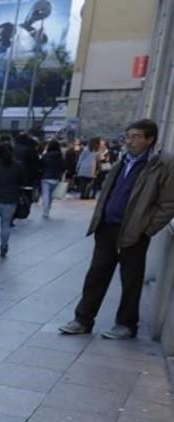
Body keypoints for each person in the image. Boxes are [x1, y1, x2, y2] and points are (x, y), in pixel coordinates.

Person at [59, 119, 174, 340]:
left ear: (150, 139)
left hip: (134, 231)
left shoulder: (163, 163)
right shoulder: (124, 160)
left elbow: (168, 203)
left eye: (136, 137)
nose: (130, 141)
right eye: (128, 136)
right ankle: (82, 319)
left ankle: (126, 324)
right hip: (107, 227)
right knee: (96, 275)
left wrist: (148, 228)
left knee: (131, 279)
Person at [39, 139, 66, 219]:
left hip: (45, 177)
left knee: (45, 194)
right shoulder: (60, 156)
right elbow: (63, 167)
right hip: (56, 178)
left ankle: (45, 210)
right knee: (51, 195)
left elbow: (41, 165)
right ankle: (48, 209)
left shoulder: (45, 155)